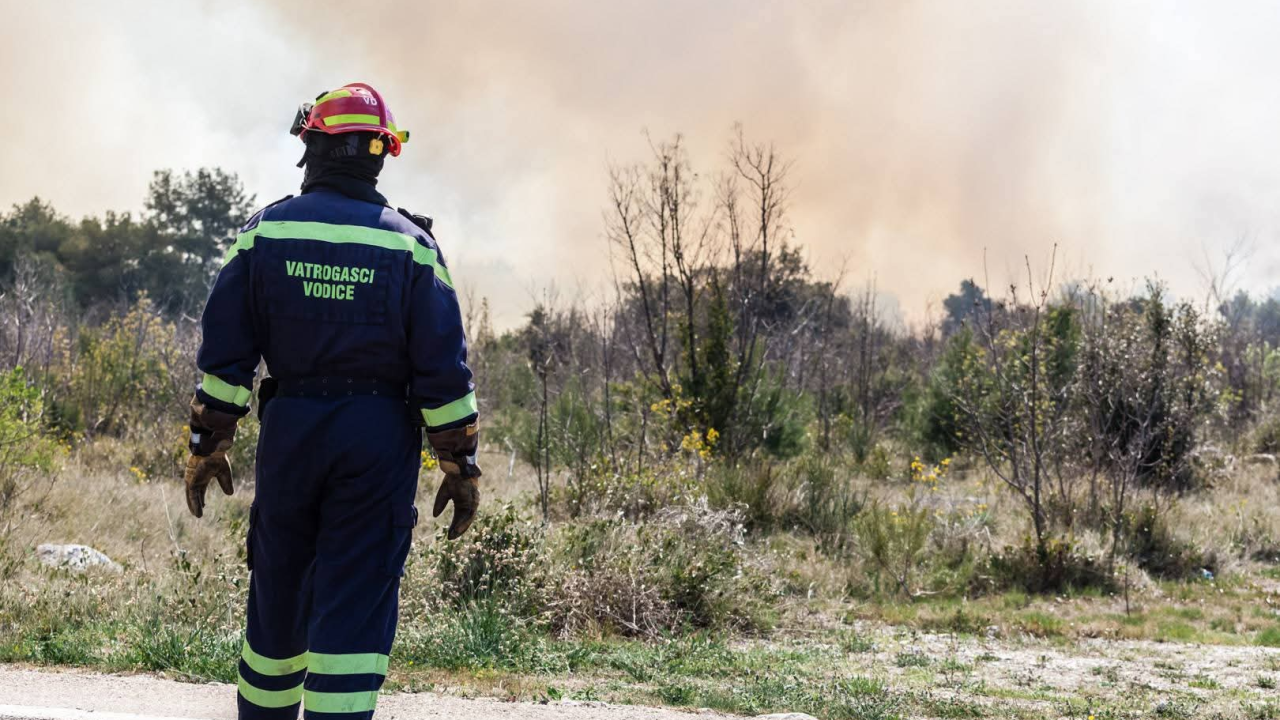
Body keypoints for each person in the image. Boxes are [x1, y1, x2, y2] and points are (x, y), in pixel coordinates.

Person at [181, 82, 481, 719]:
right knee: (357, 593)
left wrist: (209, 443)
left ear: (311, 147)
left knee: (279, 587)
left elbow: (227, 351)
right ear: (379, 155)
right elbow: (442, 371)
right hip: (377, 439)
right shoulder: (409, 245)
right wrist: (459, 465)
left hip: (292, 430)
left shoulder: (264, 232)